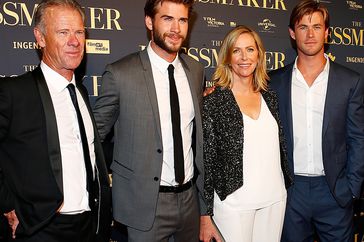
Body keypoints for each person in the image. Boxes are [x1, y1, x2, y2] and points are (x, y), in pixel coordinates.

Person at [93, 0, 206, 241]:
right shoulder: (121, 73)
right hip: (143, 205)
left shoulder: (196, 71)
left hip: (190, 201)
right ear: (149, 22)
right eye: (167, 18)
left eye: (183, 20)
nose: (176, 28)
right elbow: (93, 139)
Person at [0, 0, 111, 241]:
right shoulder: (13, 92)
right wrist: (9, 204)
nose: (75, 41)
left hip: (88, 226)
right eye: (63, 32)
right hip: (41, 228)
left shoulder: (80, 91)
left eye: (79, 32)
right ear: (40, 38)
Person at [269, 0, 364, 241]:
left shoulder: (349, 81)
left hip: (334, 191)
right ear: (292, 33)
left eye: (317, 26)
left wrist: (351, 189)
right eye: (303, 27)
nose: (310, 34)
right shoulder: (273, 82)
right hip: (291, 191)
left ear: (327, 32)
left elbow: (357, 139)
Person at [200, 25, 293, 242]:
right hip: (233, 204)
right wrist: (205, 214)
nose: (244, 57)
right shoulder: (214, 101)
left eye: (250, 50)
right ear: (227, 56)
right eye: (237, 50)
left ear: (259, 55)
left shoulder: (270, 97)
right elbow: (207, 161)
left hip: (274, 199)